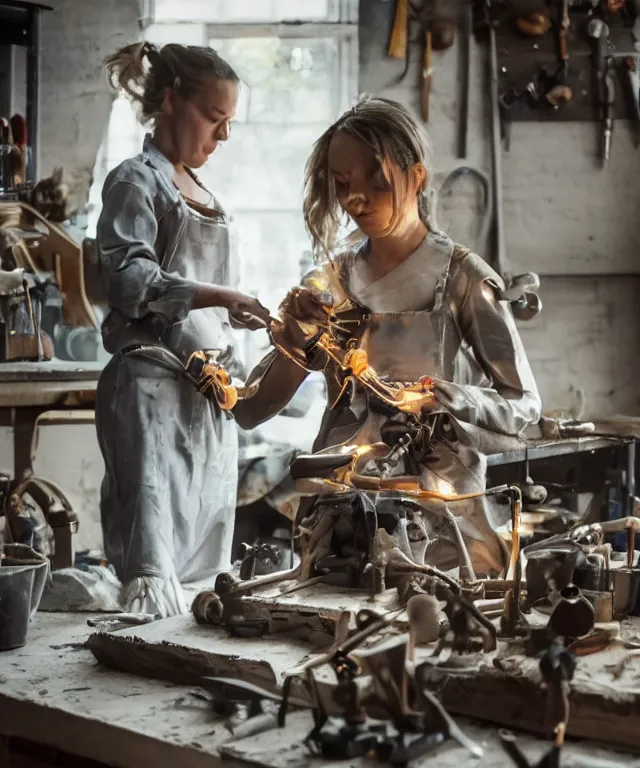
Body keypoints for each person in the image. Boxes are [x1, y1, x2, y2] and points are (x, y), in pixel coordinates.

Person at [234, 96, 542, 577]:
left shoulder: (462, 279)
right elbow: (253, 409)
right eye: (342, 184)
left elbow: (523, 405)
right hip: (345, 514)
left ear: (415, 176)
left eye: (374, 181)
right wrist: (294, 340)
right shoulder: (329, 283)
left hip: (444, 514)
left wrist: (448, 399)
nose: (355, 199)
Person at [95, 41, 269, 617]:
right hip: (151, 390)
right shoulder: (135, 181)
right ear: (170, 101)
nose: (221, 137)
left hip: (207, 397)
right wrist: (217, 295)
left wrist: (241, 372)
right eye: (214, 119)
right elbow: (128, 277)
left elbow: (218, 315)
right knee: (155, 551)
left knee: (203, 550)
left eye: (229, 125)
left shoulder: (208, 196)